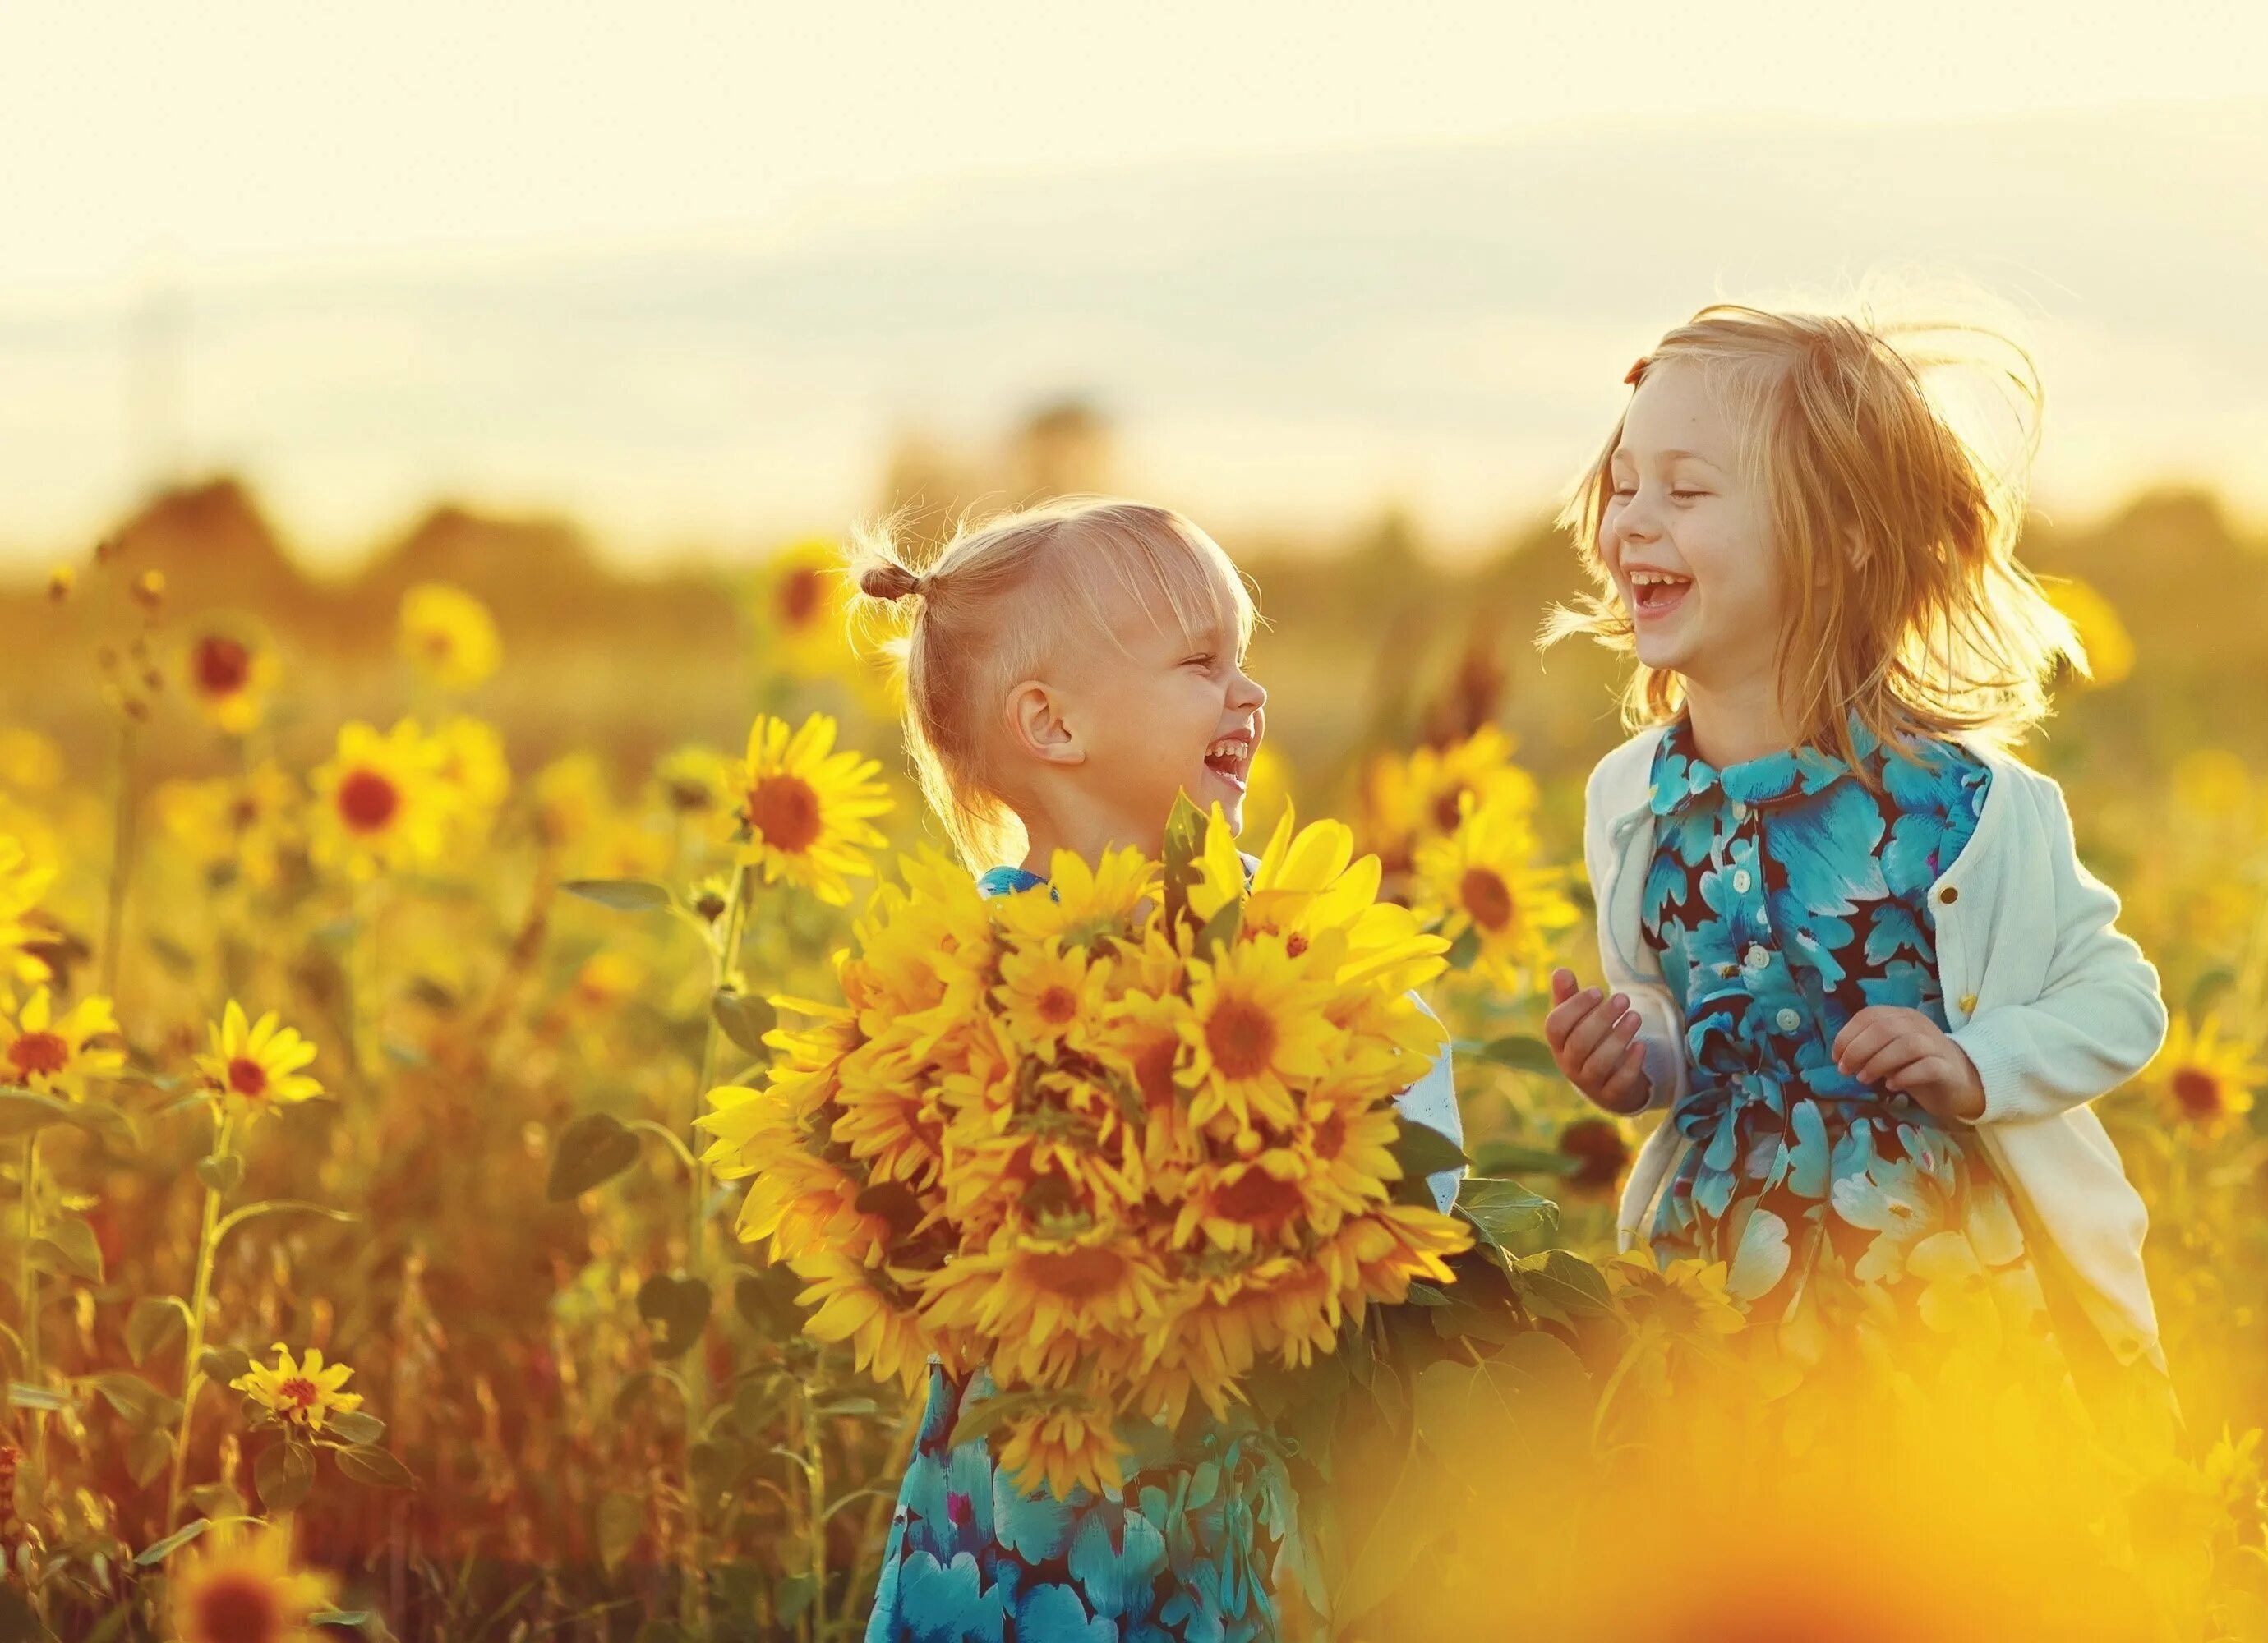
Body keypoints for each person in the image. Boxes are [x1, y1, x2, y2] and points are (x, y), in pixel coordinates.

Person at [848, 497, 1464, 1643]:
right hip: (1021, 1499)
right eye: (1201, 662)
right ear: (1053, 724)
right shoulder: (960, 990)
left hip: (1218, 1470)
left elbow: (1424, 1174)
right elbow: (903, 1222)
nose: (1249, 694)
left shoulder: (1284, 947)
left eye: (1244, 660)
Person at [1538, 304, 2170, 1411]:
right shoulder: (1632, 801)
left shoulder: (1969, 808)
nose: (1633, 520)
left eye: (1686, 490)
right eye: (1624, 482)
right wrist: (1633, 1054)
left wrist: (1977, 1062)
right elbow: (1679, 1018)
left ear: (1841, 534)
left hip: (1934, 1299)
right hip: (1719, 1286)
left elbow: (2120, 998)